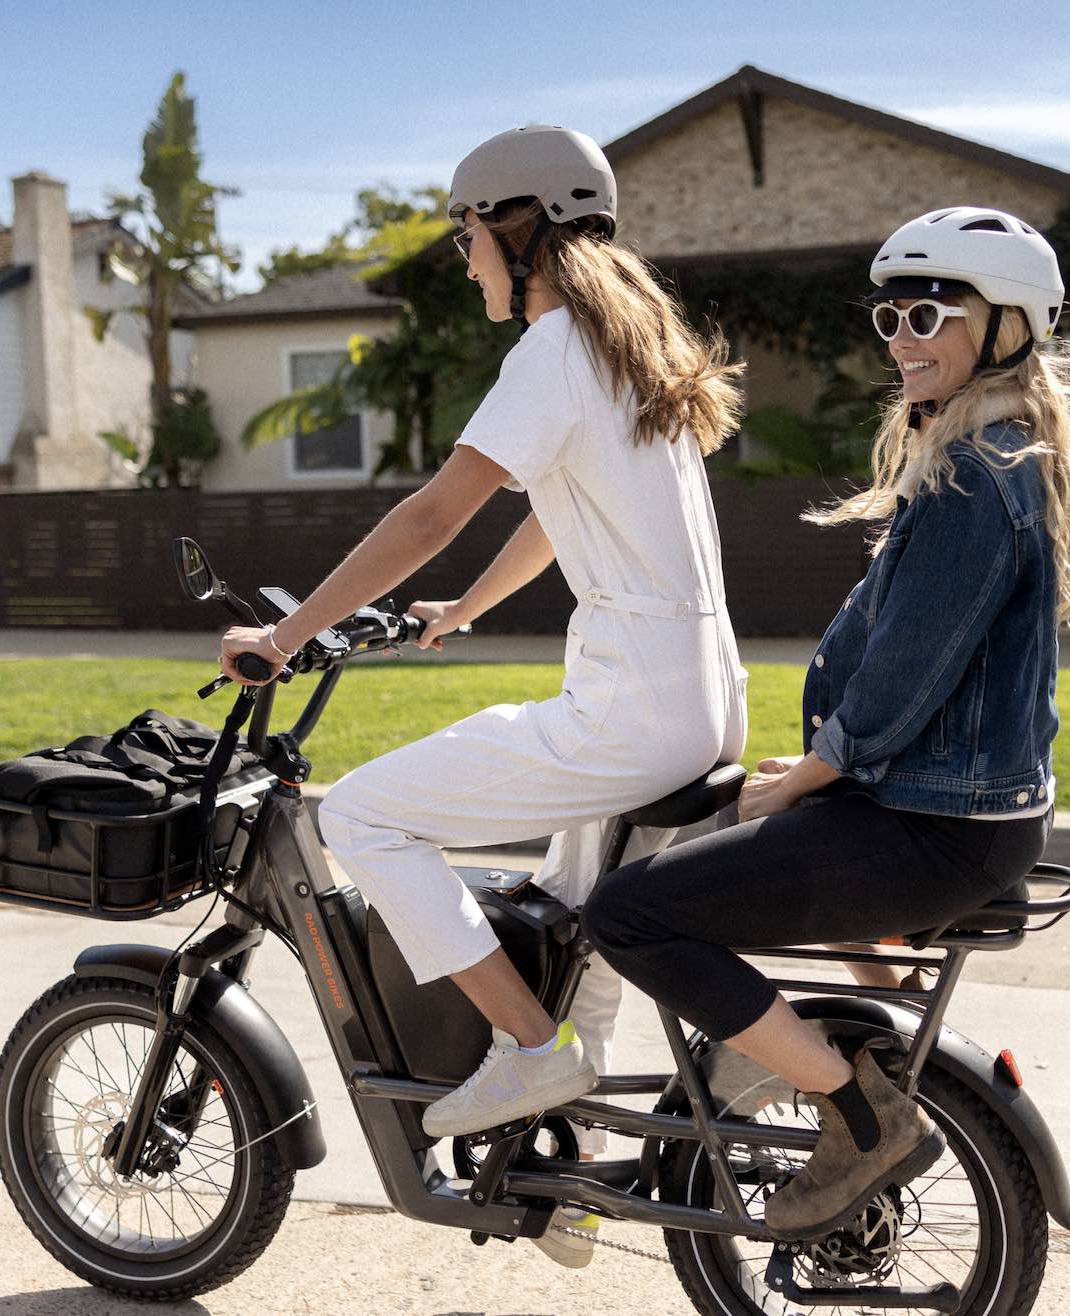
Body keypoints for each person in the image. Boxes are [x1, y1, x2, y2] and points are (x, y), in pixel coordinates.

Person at [219, 123, 749, 1264]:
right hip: (701, 698)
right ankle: (570, 1181)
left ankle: (525, 1050)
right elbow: (558, 511)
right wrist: (461, 609)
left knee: (359, 814)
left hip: (629, 712)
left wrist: (284, 632)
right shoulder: (624, 350)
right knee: (574, 923)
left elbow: (431, 511)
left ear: (519, 227)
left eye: (467, 234)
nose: (465, 260)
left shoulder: (554, 350)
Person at [584, 205, 1070, 1240]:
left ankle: (859, 1112)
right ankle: (867, 1058)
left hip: (930, 827)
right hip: (941, 812)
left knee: (627, 911)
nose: (904, 340)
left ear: (1006, 324)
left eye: (931, 313)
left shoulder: (979, 473)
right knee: (743, 869)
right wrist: (819, 773)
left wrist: (805, 777)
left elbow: (903, 675)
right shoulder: (992, 452)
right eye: (890, 317)